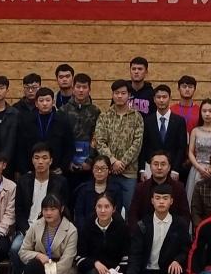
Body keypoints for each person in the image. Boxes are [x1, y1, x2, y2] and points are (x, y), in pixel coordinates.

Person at [125, 183, 191, 274]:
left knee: (177, 271)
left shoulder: (180, 224)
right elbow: (135, 255)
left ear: (171, 201)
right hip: (149, 270)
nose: (161, 201)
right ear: (152, 201)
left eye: (165, 198)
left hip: (170, 269)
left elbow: (186, 249)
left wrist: (177, 260)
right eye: (158, 198)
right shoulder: (143, 224)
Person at [12, 143, 69, 274]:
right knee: (15, 248)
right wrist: (26, 230)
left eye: (44, 158)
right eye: (36, 158)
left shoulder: (60, 182)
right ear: (32, 160)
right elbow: (19, 211)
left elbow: (64, 209)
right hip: (28, 228)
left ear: (51, 160)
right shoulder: (23, 181)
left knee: (52, 250)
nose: (40, 162)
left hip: (51, 228)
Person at [15, 193, 78, 274]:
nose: (48, 213)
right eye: (45, 209)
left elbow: (66, 264)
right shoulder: (36, 225)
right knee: (31, 267)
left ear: (61, 209)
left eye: (53, 209)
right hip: (41, 264)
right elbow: (23, 251)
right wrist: (38, 255)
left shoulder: (71, 230)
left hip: (61, 269)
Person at [77, 193, 130, 274]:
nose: (102, 210)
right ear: (95, 208)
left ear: (114, 209)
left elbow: (126, 258)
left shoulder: (122, 227)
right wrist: (95, 263)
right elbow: (79, 258)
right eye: (99, 206)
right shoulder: (87, 227)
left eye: (107, 206)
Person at [94, 78, 145, 212]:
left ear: (129, 95)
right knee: (108, 209)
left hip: (129, 172)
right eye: (116, 93)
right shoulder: (104, 116)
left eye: (123, 93)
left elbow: (137, 143)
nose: (120, 96)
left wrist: (122, 163)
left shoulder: (137, 117)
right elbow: (100, 142)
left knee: (130, 209)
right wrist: (113, 161)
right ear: (112, 95)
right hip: (109, 172)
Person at [15, 86, 72, 176]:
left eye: (48, 100)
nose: (45, 104)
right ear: (36, 103)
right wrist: (25, 170)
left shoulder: (62, 120)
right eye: (41, 101)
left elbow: (69, 146)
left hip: (56, 170)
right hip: (32, 170)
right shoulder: (27, 122)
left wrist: (62, 167)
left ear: (53, 102)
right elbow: (20, 147)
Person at [61, 71, 101, 197]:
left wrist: (89, 161)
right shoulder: (63, 111)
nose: (81, 90)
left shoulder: (95, 111)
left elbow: (97, 137)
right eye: (78, 87)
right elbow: (60, 139)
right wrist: (67, 162)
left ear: (89, 90)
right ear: (73, 89)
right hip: (68, 166)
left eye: (84, 87)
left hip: (88, 167)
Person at [127, 150, 191, 227]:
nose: (159, 167)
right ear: (150, 167)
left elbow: (185, 216)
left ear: (169, 167)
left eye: (163, 164)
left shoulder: (178, 188)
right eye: (156, 164)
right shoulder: (141, 188)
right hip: (145, 231)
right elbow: (133, 215)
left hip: (172, 231)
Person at [185, 99, 211, 207]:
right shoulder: (195, 131)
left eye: (210, 111)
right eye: (204, 111)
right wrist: (199, 168)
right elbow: (190, 153)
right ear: (200, 113)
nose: (207, 114)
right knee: (196, 200)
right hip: (197, 169)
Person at [139, 84, 187, 177]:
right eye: (158, 97)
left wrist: (176, 169)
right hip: (151, 167)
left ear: (170, 98)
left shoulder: (179, 121)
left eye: (164, 97)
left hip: (172, 168)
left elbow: (181, 147)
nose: (161, 100)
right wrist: (142, 169)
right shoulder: (147, 121)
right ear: (154, 99)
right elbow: (143, 146)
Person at [72, 155, 123, 229]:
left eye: (103, 168)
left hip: (109, 230)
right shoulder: (83, 189)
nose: (99, 171)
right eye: (96, 168)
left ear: (109, 170)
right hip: (86, 230)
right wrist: (84, 230)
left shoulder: (116, 189)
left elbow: (117, 213)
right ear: (92, 170)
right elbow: (79, 215)